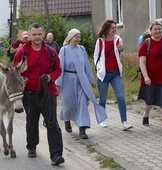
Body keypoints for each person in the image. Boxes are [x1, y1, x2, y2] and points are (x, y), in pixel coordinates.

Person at [12, 23, 65, 165]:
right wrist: (22, 78)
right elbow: (14, 72)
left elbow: (58, 69)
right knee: (32, 121)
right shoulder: (21, 53)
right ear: (29, 35)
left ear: (43, 34)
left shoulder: (50, 52)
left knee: (52, 123)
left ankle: (56, 155)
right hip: (30, 95)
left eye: (39, 34)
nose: (36, 37)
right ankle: (31, 146)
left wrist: (50, 77)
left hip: (48, 93)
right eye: (34, 34)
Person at [55, 28, 107, 139]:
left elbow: (86, 66)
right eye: (76, 37)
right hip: (68, 80)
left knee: (83, 103)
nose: (78, 39)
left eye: (79, 37)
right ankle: (67, 119)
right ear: (70, 37)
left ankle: (82, 128)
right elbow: (60, 67)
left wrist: (91, 80)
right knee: (68, 104)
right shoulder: (64, 50)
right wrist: (58, 84)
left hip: (81, 80)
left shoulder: (82, 49)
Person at [93, 19, 133, 130]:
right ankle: (102, 119)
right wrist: (99, 68)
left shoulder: (118, 40)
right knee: (103, 98)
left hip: (115, 73)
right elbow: (96, 56)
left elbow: (120, 54)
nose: (114, 30)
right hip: (103, 74)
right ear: (106, 29)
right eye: (112, 28)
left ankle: (124, 121)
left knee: (120, 97)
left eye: (115, 28)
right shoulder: (100, 41)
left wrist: (123, 50)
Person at [138, 21, 162, 130]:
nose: (157, 31)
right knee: (150, 100)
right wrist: (146, 76)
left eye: (159, 29)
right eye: (155, 29)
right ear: (151, 31)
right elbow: (142, 62)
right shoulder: (146, 44)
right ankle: (146, 114)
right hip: (151, 77)